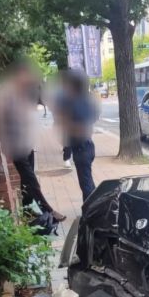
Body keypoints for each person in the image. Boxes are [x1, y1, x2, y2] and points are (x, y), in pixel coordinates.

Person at [0, 60, 66, 221]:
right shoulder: (7, 93)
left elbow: (44, 101)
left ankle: (27, 210)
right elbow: (2, 120)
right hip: (15, 144)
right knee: (31, 179)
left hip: (27, 142)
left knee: (27, 179)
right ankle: (48, 210)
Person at [55, 70, 98, 202]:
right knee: (88, 182)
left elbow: (80, 128)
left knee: (86, 186)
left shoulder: (76, 103)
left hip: (82, 148)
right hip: (86, 147)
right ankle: (97, 205)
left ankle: (91, 213)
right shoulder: (84, 100)